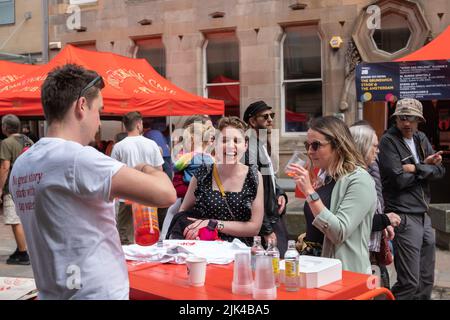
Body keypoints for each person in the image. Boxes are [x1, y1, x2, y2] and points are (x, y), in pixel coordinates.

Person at [9, 64, 176, 299]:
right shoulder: (78, 158)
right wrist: (148, 168)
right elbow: (165, 194)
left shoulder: (23, 164)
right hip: (95, 292)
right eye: (99, 110)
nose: (99, 122)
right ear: (82, 106)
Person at [288, 116, 376, 274]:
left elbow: (338, 232)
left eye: (316, 145)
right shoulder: (327, 178)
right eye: (307, 145)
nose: (309, 151)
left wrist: (309, 192)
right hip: (315, 264)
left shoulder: (360, 180)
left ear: (338, 145)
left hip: (343, 272)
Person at [378, 98, 445, 300]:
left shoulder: (421, 138)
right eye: (403, 118)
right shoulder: (388, 141)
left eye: (412, 118)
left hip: (424, 215)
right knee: (409, 282)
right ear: (396, 119)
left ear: (419, 120)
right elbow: (398, 179)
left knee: (426, 280)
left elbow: (440, 170)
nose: (407, 123)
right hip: (404, 215)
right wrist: (425, 168)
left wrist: (416, 167)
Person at [174, 116, 264, 246]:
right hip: (205, 250)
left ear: (245, 145)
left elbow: (254, 227)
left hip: (240, 254)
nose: (230, 146)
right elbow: (182, 213)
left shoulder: (254, 176)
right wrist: (193, 229)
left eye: (236, 141)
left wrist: (214, 223)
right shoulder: (202, 173)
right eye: (224, 140)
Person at [349, 123, 401, 288]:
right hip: (360, 253)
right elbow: (354, 223)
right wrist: (386, 219)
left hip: (370, 247)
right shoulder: (355, 178)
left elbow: (373, 204)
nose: (378, 151)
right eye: (375, 146)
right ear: (362, 146)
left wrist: (384, 221)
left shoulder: (363, 171)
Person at [111, 111, 165, 245]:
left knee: (126, 240)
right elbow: (159, 170)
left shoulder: (118, 147)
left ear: (125, 126)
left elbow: (112, 173)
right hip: (148, 197)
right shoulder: (152, 144)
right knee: (149, 237)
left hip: (126, 197)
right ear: (139, 124)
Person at [243, 101, 289, 256]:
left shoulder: (262, 144)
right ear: (252, 121)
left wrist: (280, 194)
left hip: (273, 215)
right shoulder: (249, 148)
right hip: (264, 222)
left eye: (272, 115)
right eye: (265, 117)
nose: (270, 119)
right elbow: (251, 192)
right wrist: (266, 229)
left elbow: (270, 180)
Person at [160, 122, 215, 239]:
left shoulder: (188, 156)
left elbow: (175, 167)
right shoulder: (211, 158)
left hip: (187, 194)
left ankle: (164, 236)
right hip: (205, 196)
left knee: (171, 212)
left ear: (192, 141)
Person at [0, 114, 33, 265]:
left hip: (13, 186)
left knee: (14, 220)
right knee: (24, 219)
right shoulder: (28, 141)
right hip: (29, 184)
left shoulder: (6, 143)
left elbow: (5, 167)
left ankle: (22, 252)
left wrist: (0, 188)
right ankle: (23, 248)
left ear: (5, 127)